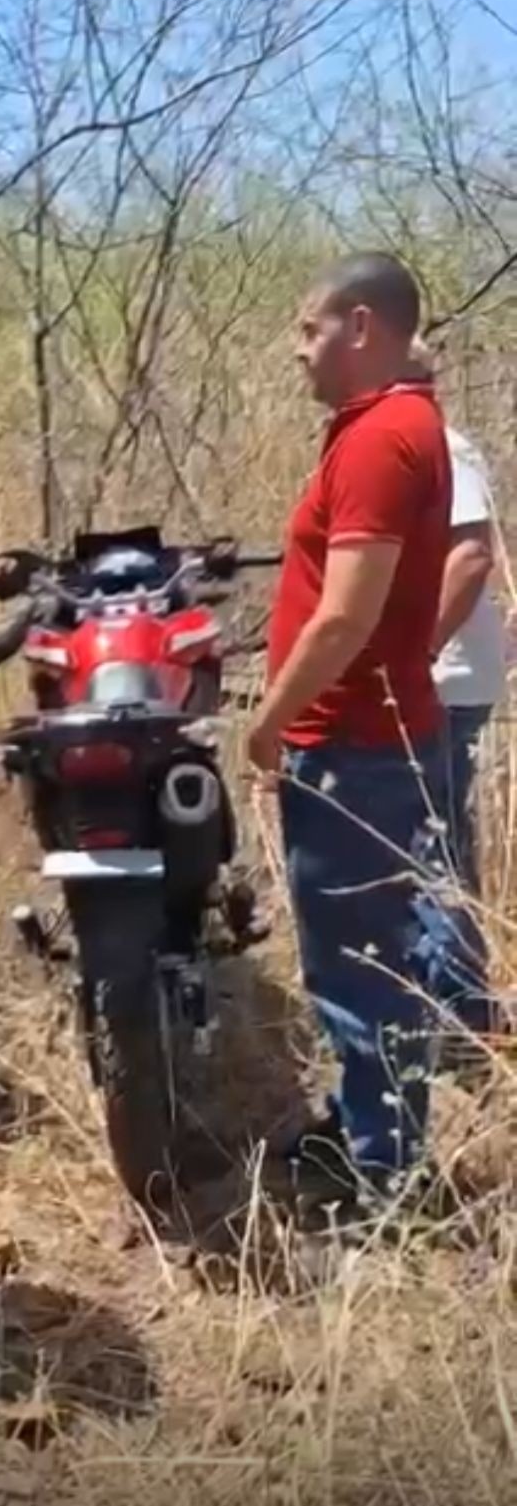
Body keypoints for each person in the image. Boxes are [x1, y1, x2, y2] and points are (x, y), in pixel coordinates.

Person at [248, 252, 451, 1204]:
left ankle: (382, 1181)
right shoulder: (387, 426)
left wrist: (268, 719)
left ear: (360, 326)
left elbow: (345, 615)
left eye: (309, 328)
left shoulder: (380, 441)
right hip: (372, 738)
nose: (298, 350)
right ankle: (367, 1123)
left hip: (353, 747)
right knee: (371, 954)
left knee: (355, 963)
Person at [410, 342, 505, 1037]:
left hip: (439, 684)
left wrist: (418, 651)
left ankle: (465, 1017)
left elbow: (471, 552)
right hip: (430, 680)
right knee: (429, 840)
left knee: (428, 844)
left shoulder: (444, 448)